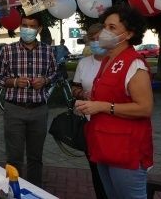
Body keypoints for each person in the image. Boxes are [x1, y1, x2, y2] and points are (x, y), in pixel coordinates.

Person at [75, 5, 153, 199]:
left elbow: (145, 108)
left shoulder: (134, 63)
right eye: (105, 26)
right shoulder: (107, 61)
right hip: (104, 144)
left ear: (128, 34)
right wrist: (89, 104)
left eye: (112, 28)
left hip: (125, 150)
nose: (105, 32)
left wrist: (102, 106)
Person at [0, 13, 57, 186]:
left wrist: (45, 81)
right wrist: (13, 82)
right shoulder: (7, 50)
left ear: (39, 29)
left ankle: (35, 190)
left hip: (39, 110)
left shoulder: (48, 50)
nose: (27, 30)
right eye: (24, 26)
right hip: (15, 109)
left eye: (32, 26)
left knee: (36, 157)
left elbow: (54, 74)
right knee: (14, 157)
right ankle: (14, 191)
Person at [71, 23, 107, 199]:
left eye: (99, 38)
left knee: (112, 170)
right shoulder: (84, 63)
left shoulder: (115, 61)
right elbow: (74, 88)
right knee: (96, 169)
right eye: (92, 39)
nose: (95, 42)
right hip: (89, 123)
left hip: (111, 124)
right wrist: (81, 93)